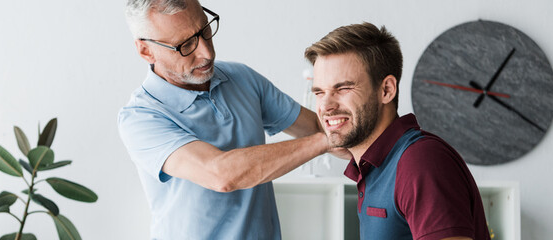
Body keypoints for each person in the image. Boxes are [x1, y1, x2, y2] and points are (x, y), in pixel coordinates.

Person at [118, 0, 342, 239]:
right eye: (185, 45)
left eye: (205, 30)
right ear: (146, 51)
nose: (206, 53)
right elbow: (220, 174)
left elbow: (320, 128)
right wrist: (325, 142)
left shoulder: (242, 78)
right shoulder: (141, 117)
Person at [305, 22, 490, 240]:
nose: (326, 106)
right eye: (319, 92)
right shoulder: (373, 168)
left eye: (343, 88)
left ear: (386, 90)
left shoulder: (419, 161)